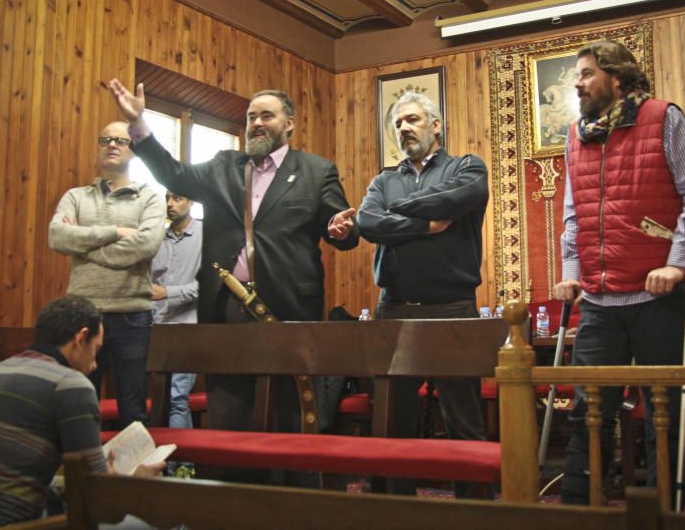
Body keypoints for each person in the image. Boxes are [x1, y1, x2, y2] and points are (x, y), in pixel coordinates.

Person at [104, 79, 359, 435]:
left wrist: (340, 229)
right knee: (229, 409)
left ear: (289, 124)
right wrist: (139, 125)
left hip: (289, 309)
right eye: (250, 116)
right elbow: (173, 172)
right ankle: (232, 484)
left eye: (266, 115)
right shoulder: (222, 166)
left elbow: (341, 225)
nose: (256, 123)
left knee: (289, 413)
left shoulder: (317, 171)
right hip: (226, 306)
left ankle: (288, 488)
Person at [551, 40, 685, 505]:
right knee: (589, 412)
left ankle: (667, 506)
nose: (578, 84)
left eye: (586, 74)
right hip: (600, 300)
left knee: (664, 411)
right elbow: (573, 214)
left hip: (657, 296)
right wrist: (571, 271)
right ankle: (577, 509)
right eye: (578, 76)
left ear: (617, 77)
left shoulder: (663, 117)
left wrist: (677, 264)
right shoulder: (576, 134)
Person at [356, 91, 489, 497]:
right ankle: (393, 512)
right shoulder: (384, 180)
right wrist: (423, 223)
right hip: (394, 310)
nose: (404, 129)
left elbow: (458, 197)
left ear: (436, 125)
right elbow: (366, 221)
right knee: (393, 419)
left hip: (452, 309)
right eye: (398, 123)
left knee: (465, 421)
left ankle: (478, 511)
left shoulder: (466, 166)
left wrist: (395, 211)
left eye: (412, 120)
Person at [0, 296, 165, 529]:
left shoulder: (3, 367)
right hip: (8, 525)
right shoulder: (71, 384)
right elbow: (99, 501)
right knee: (146, 523)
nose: (95, 365)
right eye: (96, 350)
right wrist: (137, 484)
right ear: (80, 339)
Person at [48, 121, 165, 429]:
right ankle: (83, 476)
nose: (112, 144)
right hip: (83, 314)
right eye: (105, 140)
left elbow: (147, 244)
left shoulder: (149, 197)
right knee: (78, 406)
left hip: (132, 315)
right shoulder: (76, 197)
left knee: (133, 409)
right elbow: (58, 236)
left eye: (120, 141)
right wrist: (115, 232)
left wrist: (85, 247)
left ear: (134, 150)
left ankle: (133, 477)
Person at [151, 191, 202, 429]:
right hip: (157, 327)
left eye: (178, 198)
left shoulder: (205, 235)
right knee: (161, 399)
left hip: (187, 327)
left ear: (191, 201)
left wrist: (167, 293)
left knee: (177, 397)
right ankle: (173, 462)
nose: (170, 204)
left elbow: (208, 287)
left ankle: (180, 466)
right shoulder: (157, 238)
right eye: (167, 198)